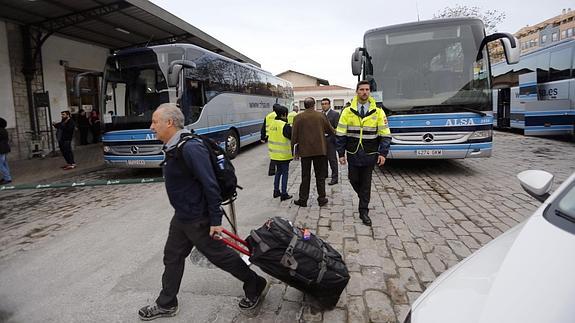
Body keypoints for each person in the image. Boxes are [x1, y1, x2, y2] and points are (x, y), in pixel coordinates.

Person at [139, 103, 267, 320]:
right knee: (172, 256)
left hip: (198, 217)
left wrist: (215, 220)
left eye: (155, 121)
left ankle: (255, 283)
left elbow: (210, 184)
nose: (152, 126)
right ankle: (167, 302)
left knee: (220, 257)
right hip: (183, 216)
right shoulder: (175, 145)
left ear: (169, 122)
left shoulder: (190, 148)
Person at [336, 81, 391, 226]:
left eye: (367, 90)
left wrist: (383, 153)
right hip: (353, 153)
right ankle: (363, 197)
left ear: (370, 92)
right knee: (353, 179)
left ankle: (363, 211)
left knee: (366, 184)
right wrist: (341, 154)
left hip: (370, 154)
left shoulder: (379, 111)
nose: (364, 92)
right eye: (361, 89)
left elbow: (385, 134)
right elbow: (340, 133)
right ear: (357, 91)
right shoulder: (347, 111)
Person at [291, 97, 335, 207]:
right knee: (320, 176)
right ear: (314, 105)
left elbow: (294, 136)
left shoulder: (298, 117)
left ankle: (303, 199)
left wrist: (294, 151)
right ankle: (322, 198)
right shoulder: (321, 116)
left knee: (305, 176)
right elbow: (330, 130)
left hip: (305, 151)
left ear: (304, 105)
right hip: (320, 150)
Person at [267, 105, 293, 201]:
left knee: (278, 172)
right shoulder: (284, 126)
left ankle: (276, 191)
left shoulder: (272, 124)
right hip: (283, 155)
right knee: (285, 173)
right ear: (284, 114)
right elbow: (291, 136)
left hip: (274, 154)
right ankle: (284, 193)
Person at [320, 98, 340, 186]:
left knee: (332, 160)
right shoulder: (320, 114)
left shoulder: (335, 114)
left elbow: (337, 128)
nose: (324, 105)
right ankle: (324, 174)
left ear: (329, 104)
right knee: (323, 159)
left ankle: (335, 177)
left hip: (331, 140)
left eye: (326, 104)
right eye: (322, 104)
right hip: (322, 141)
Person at [260, 103, 281, 176]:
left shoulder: (268, 116)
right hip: (278, 135)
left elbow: (263, 127)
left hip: (269, 136)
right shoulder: (279, 115)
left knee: (273, 153)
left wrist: (262, 137)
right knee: (279, 152)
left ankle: (272, 170)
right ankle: (277, 169)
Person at [0, 117, 12, 185]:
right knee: (4, 163)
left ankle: (7, 178)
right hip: (5, 148)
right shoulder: (4, 130)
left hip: (1, 149)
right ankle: (7, 177)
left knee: (0, 164)